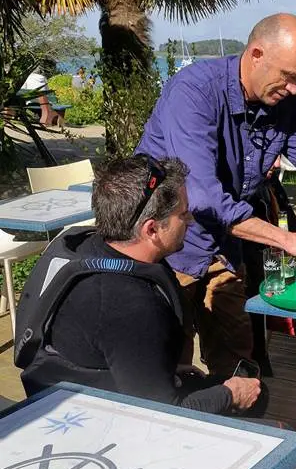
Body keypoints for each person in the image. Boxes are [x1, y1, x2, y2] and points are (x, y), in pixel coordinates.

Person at [136, 13, 296, 459]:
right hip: (164, 246)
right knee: (165, 364)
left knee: (237, 357)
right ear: (256, 55)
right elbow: (202, 197)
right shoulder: (193, 91)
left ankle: (241, 451)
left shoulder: (284, 106)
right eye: (289, 77)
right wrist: (286, 239)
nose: (294, 90)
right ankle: (173, 453)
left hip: (226, 244)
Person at [18, 156, 263, 415]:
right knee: (255, 399)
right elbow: (160, 414)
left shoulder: (88, 245)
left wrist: (154, 366)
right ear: (152, 229)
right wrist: (231, 394)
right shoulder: (130, 305)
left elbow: (110, 344)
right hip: (98, 418)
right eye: (183, 213)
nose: (190, 220)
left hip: (96, 378)